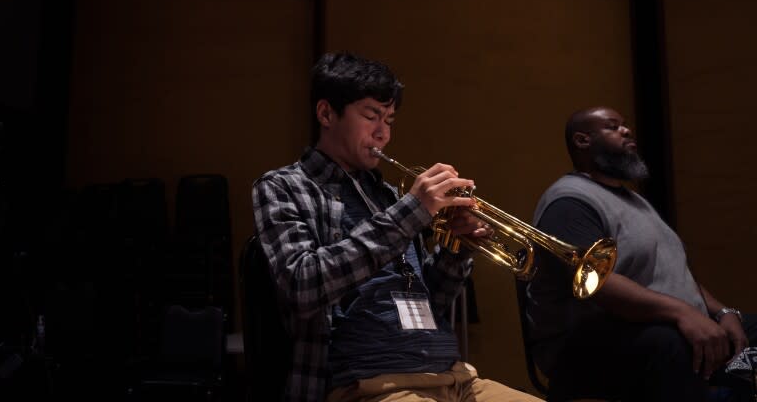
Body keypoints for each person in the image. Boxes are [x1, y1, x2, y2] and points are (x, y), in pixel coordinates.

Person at [252, 52, 540, 402]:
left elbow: (430, 300)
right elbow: (303, 285)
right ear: (326, 113)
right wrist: (411, 213)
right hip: (365, 384)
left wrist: (456, 249)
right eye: (371, 117)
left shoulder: (389, 196)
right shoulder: (283, 187)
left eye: (389, 120)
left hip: (454, 379)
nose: (383, 134)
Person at [525, 106, 756, 401]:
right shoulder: (569, 201)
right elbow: (598, 283)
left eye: (625, 125)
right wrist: (683, 313)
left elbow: (679, 273)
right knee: (674, 342)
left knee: (751, 329)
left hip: (656, 325)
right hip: (585, 348)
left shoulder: (634, 201)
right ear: (582, 141)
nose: (627, 130)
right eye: (613, 126)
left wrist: (723, 312)